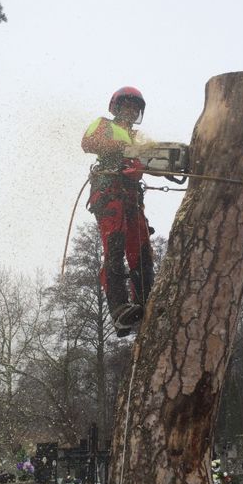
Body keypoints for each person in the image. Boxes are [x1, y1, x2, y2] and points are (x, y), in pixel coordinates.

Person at [82, 86, 154, 336]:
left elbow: (157, 158)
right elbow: (87, 141)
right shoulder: (103, 125)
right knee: (114, 245)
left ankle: (146, 301)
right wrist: (118, 148)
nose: (131, 111)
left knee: (141, 250)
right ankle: (119, 308)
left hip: (133, 197)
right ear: (116, 107)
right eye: (127, 106)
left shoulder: (139, 138)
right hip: (109, 191)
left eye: (135, 108)